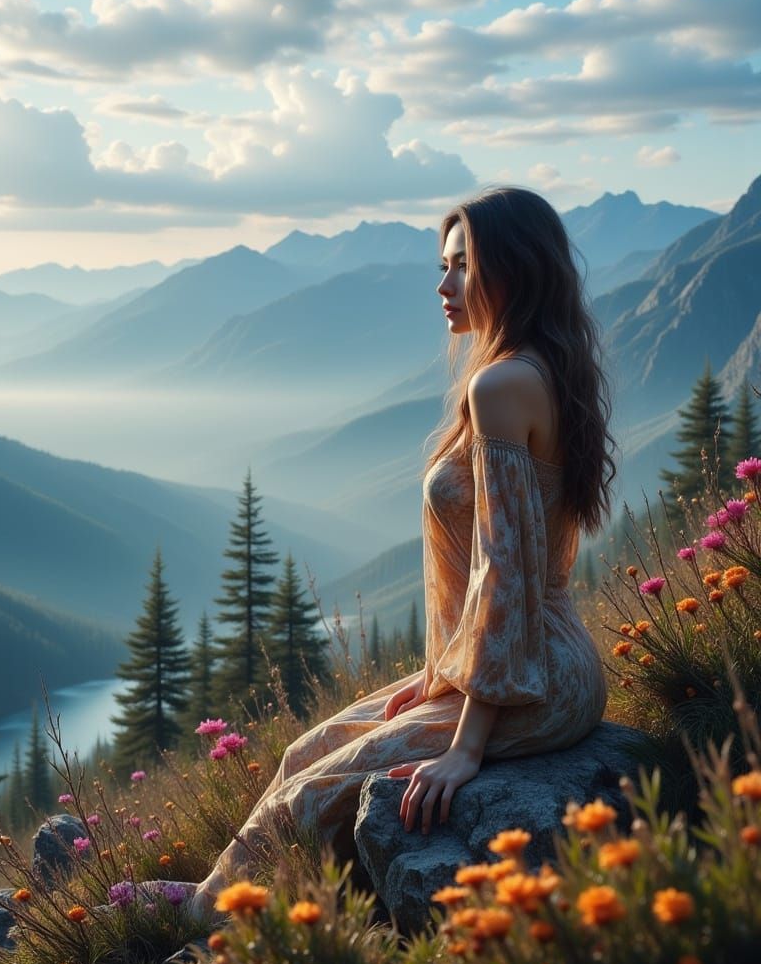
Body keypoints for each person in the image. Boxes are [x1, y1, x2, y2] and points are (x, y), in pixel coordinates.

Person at [187, 185, 617, 918]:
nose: (443, 285)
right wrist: (437, 674)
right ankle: (214, 895)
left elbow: (503, 577)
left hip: (535, 678)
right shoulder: (543, 365)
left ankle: (201, 922)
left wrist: (466, 746)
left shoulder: (504, 385)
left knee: (312, 791)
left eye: (460, 266)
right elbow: (495, 571)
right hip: (517, 661)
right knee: (302, 755)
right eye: (441, 265)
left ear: (511, 271)